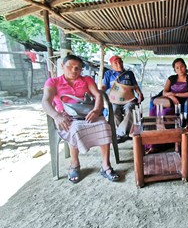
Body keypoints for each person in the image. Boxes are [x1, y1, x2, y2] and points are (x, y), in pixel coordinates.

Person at [42, 54, 119, 183]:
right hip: (67, 117)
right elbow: (45, 101)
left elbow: (98, 95)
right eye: (70, 67)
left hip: (88, 114)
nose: (74, 70)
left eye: (77, 68)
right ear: (62, 66)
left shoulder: (87, 79)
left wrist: (96, 110)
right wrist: (56, 115)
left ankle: (106, 166)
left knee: (104, 126)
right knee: (75, 128)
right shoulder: (53, 82)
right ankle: (74, 164)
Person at [147, 58, 188, 153]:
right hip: (167, 102)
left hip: (178, 105)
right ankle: (152, 144)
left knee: (164, 113)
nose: (180, 69)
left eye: (182, 66)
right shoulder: (171, 78)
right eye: (177, 68)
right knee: (153, 111)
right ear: (175, 69)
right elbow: (165, 91)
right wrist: (172, 97)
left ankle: (165, 141)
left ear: (185, 66)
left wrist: (176, 95)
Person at [101, 55, 144, 143]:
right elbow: (104, 87)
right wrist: (98, 92)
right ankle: (125, 133)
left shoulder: (129, 73)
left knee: (130, 108)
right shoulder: (108, 74)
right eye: (115, 63)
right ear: (112, 65)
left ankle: (120, 133)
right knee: (114, 110)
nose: (119, 64)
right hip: (115, 100)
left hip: (129, 99)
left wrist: (139, 94)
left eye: (120, 61)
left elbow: (135, 86)